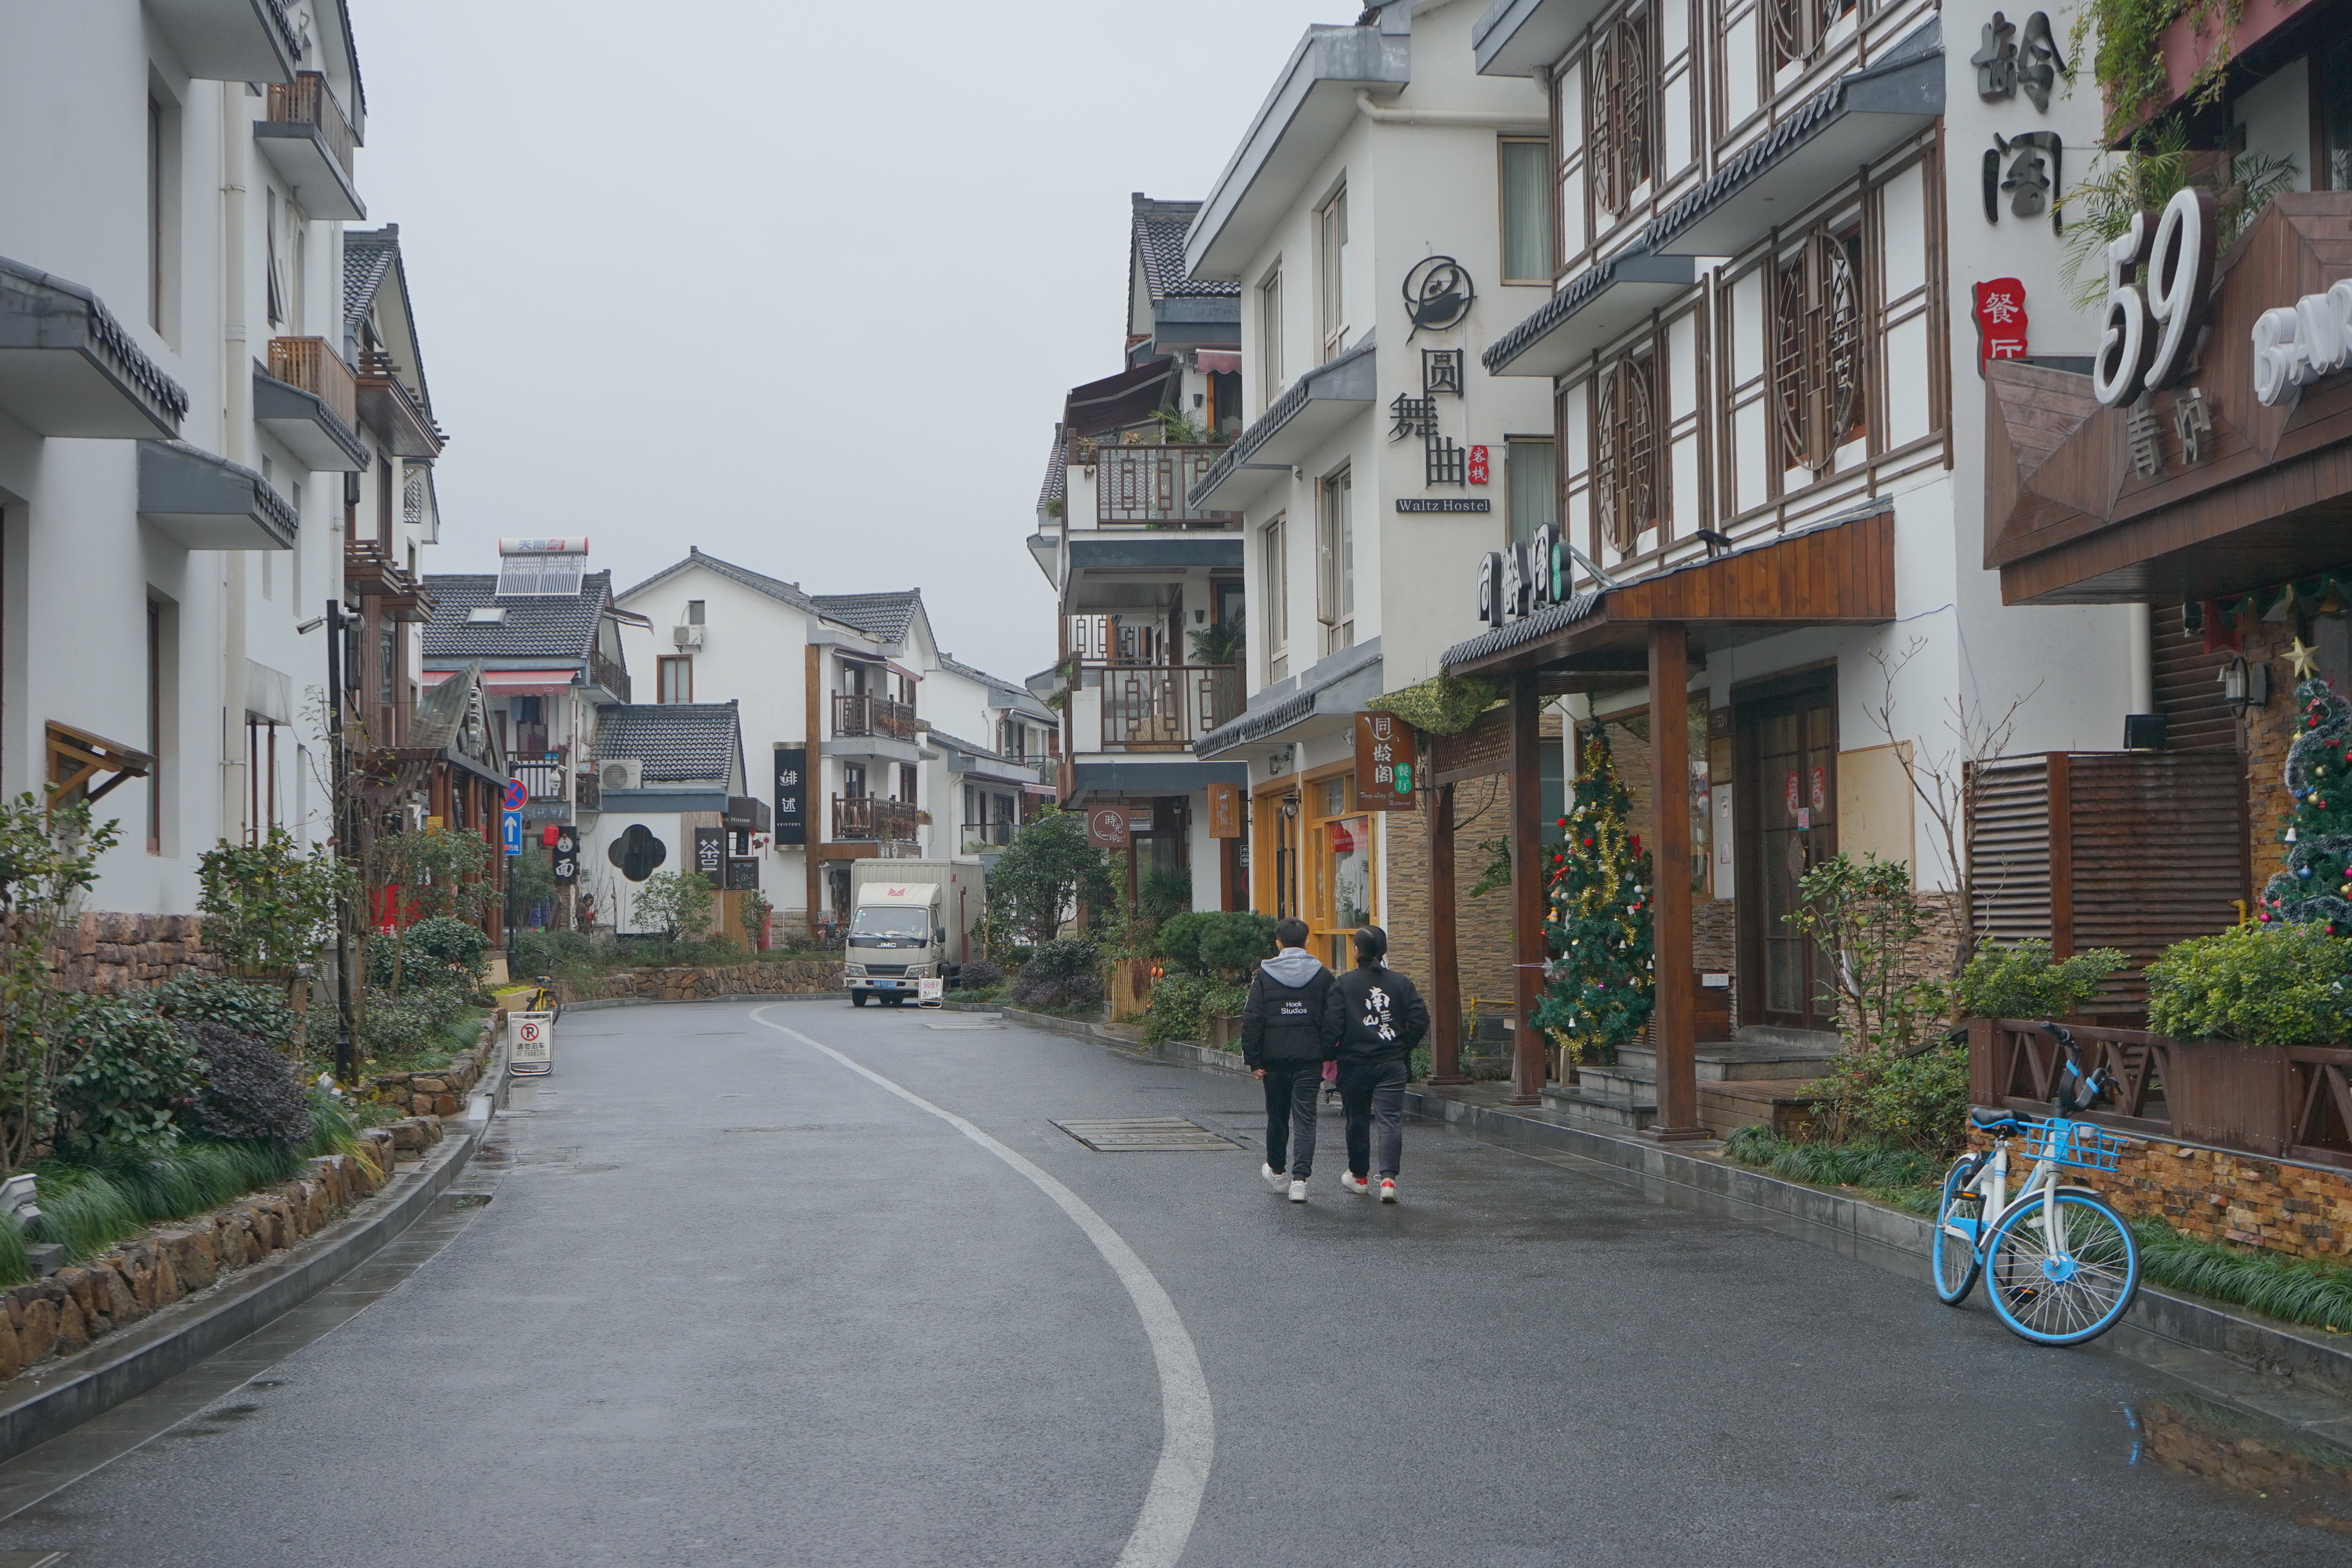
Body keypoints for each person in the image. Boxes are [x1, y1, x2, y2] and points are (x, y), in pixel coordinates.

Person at [1322, 925, 1428, 1203]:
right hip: (1391, 1061)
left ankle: (1359, 1178)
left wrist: (1327, 1053)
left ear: (1356, 950)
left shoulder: (1344, 984)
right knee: (1389, 1120)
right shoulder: (1401, 983)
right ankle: (1389, 1180)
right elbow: (1420, 1019)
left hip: (1354, 1062)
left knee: (1357, 1120)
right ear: (1384, 951)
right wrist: (1404, 1045)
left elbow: (1332, 1025)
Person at [1240, 916, 1334, 1204]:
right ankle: (1300, 1181)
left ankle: (1278, 1172)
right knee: (1306, 1120)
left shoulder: (1265, 975)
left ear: (1278, 943)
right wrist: (1327, 1053)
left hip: (1274, 1059)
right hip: (1309, 1059)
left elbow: (1253, 1018)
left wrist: (1254, 1058)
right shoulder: (1323, 975)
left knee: (1277, 1116)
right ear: (1306, 942)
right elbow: (1333, 1019)